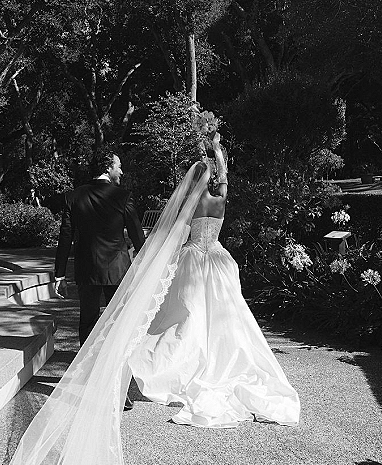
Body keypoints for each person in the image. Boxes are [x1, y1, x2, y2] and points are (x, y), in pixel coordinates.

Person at [0, 124, 297, 465]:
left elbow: (82, 237)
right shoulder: (153, 198)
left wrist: (61, 272)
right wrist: (142, 257)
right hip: (150, 266)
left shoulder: (76, 196)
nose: (122, 168)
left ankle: (95, 371)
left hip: (96, 268)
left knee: (94, 327)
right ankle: (120, 383)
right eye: (119, 163)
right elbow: (142, 235)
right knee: (176, 328)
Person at [129, 131, 301, 428]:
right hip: (219, 259)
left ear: (192, 182)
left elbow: (176, 232)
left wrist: (201, 146)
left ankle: (181, 362)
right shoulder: (220, 198)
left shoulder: (190, 203)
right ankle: (222, 359)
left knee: (187, 314)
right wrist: (216, 148)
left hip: (192, 258)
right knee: (227, 315)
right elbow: (224, 175)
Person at [54, 147, 145, 347]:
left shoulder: (73, 196)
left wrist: (59, 275)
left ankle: (85, 370)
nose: (121, 172)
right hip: (117, 268)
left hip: (87, 268)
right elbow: (136, 235)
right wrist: (148, 259)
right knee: (118, 319)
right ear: (108, 167)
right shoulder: (122, 196)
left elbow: (65, 237)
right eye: (118, 167)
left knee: (87, 320)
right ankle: (112, 366)